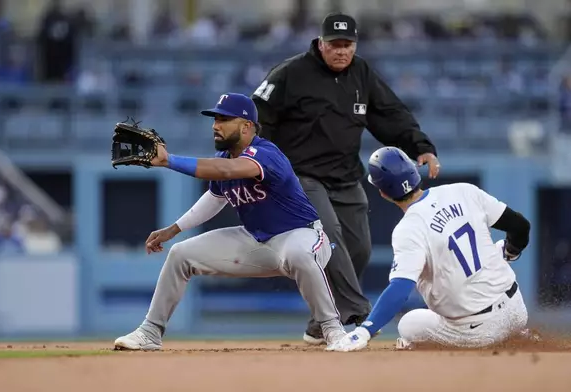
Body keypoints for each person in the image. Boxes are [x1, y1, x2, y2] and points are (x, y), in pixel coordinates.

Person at [251, 12, 441, 345]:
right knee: (329, 236)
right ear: (320, 43)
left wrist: (420, 146)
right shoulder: (290, 74)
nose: (342, 51)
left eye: (348, 44)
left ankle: (320, 323)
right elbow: (256, 117)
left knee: (359, 248)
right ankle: (357, 311)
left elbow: (390, 114)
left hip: (346, 176)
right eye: (335, 44)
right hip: (300, 177)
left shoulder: (361, 73)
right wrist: (257, 163)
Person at [114, 93, 346, 350]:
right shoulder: (223, 157)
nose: (216, 125)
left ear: (247, 126)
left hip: (301, 235)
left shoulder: (266, 153)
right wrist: (174, 229)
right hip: (257, 240)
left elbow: (226, 172)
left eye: (224, 119)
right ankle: (149, 332)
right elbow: (215, 198)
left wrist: (169, 160)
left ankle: (333, 330)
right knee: (181, 254)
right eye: (215, 119)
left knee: (299, 254)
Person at [327, 147, 530, 352]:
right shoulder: (464, 190)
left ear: (383, 193)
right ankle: (517, 333)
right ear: (414, 172)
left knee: (408, 324)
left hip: (477, 331)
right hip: (516, 310)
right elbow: (521, 226)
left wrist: (364, 331)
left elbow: (400, 289)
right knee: (492, 252)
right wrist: (510, 252)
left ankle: (420, 346)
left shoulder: (409, 228)